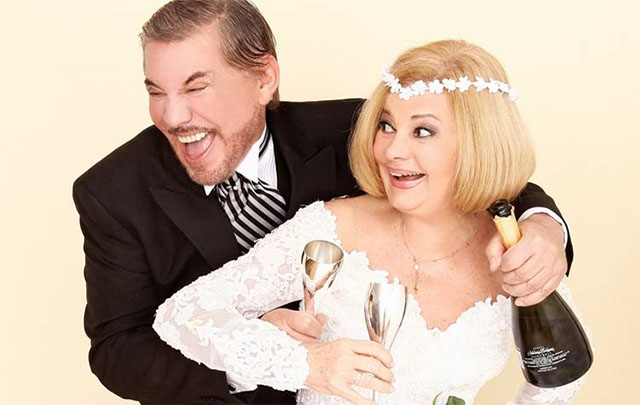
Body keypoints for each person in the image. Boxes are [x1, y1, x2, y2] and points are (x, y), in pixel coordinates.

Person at [73, 1, 572, 404]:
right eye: (156, 91)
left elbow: (479, 170)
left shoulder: (357, 129)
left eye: (196, 87)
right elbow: (118, 350)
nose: (173, 116)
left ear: (264, 79)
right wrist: (269, 357)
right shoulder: (112, 191)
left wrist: (545, 225)